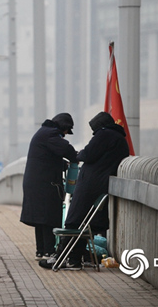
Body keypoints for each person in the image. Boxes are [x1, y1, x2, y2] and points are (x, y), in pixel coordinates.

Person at [39, 111, 130, 270]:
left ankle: (60, 258)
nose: (94, 134)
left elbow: (87, 154)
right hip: (100, 185)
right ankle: (73, 260)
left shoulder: (105, 134)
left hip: (90, 186)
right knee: (82, 224)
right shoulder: (120, 139)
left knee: (73, 222)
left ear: (100, 126)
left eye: (94, 130)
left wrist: (80, 154)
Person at [20, 113, 78, 262]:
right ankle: (49, 251)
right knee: (49, 217)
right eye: (66, 131)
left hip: (35, 182)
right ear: (63, 127)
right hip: (44, 184)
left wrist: (62, 165)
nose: (65, 136)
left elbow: (46, 158)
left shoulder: (43, 133)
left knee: (40, 218)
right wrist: (77, 157)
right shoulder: (51, 134)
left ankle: (40, 251)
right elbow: (67, 151)